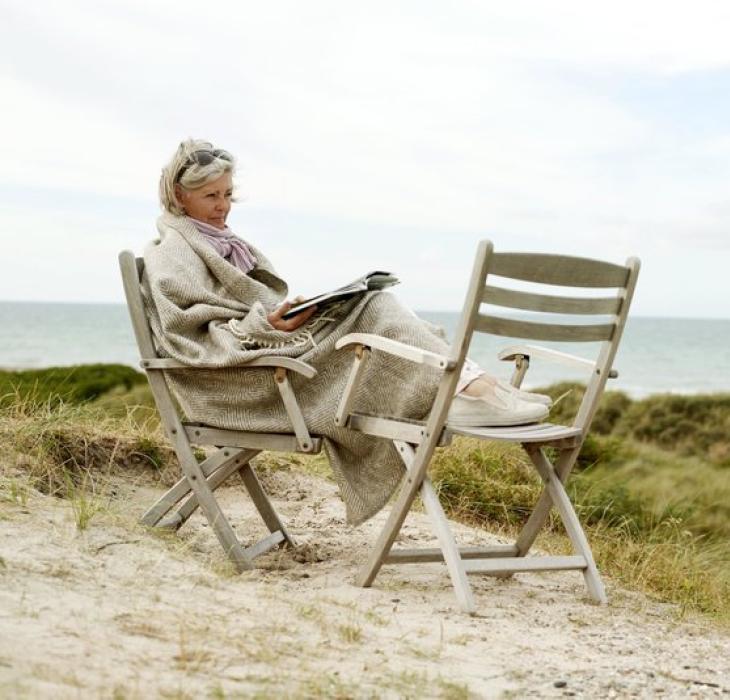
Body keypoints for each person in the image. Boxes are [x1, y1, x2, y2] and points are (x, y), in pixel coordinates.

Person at [143, 139, 549, 524]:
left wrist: (292, 315)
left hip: (272, 360)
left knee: (370, 304)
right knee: (375, 309)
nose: (223, 207)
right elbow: (188, 337)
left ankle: (466, 386)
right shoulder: (173, 254)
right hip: (240, 385)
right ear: (180, 196)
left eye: (228, 194)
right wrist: (263, 326)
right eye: (212, 196)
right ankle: (464, 390)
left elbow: (235, 312)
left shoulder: (218, 243)